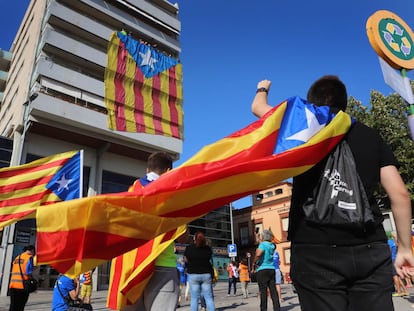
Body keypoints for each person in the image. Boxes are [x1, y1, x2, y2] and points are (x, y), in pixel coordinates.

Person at [251, 76, 414, 311]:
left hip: (314, 249)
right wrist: (405, 249)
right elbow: (399, 194)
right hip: (368, 248)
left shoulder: (303, 127)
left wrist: (262, 88)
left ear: (312, 105)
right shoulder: (370, 136)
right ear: (345, 104)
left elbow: (258, 108)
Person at [111, 151, 183, 311]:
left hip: (130, 267)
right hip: (162, 265)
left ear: (147, 170)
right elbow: (182, 234)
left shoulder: (130, 193)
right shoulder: (171, 195)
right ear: (168, 171)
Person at [184, 231, 215, 311]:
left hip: (193, 274)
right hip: (206, 274)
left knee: (194, 299)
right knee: (209, 298)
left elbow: (185, 260)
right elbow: (209, 259)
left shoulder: (189, 248)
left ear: (194, 238)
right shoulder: (207, 249)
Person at [252, 230, 280, 311]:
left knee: (263, 292)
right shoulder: (272, 245)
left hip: (262, 269)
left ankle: (263, 309)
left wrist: (254, 263)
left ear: (263, 237)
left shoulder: (262, 245)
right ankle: (277, 308)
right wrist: (257, 237)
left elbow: (258, 254)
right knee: (273, 291)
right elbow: (263, 243)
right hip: (271, 269)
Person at [9, 245, 35, 311]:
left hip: (13, 285)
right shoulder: (29, 258)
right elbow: (28, 272)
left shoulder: (17, 257)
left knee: (13, 306)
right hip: (23, 286)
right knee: (20, 306)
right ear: (32, 250)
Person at [388, 232, 408, 297]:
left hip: (392, 260)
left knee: (395, 276)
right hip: (396, 259)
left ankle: (399, 291)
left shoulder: (388, 243)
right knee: (398, 276)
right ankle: (405, 290)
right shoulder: (393, 242)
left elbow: (389, 253)